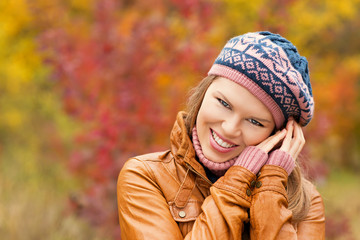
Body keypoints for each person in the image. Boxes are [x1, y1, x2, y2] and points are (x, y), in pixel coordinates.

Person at [117, 31, 325, 239]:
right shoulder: (145, 176)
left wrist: (271, 186)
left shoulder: (305, 202)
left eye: (254, 121)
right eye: (224, 103)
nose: (229, 128)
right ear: (204, 92)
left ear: (280, 135)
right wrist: (239, 179)